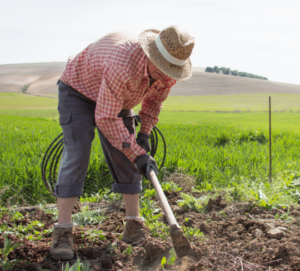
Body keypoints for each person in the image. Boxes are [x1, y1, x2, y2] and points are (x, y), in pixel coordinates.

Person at [50, 25, 194, 261]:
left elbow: (153, 104)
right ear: (150, 55)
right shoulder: (122, 66)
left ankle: (133, 227)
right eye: (162, 67)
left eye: (172, 70)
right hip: (79, 90)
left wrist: (144, 136)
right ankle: (63, 232)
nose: (167, 75)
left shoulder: (168, 74)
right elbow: (106, 118)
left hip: (119, 95)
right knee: (77, 155)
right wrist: (137, 153)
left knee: (127, 158)